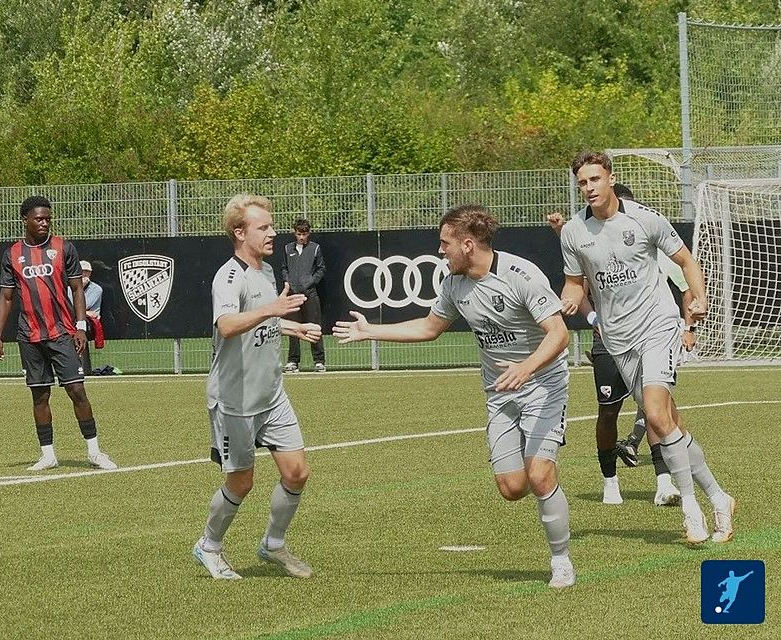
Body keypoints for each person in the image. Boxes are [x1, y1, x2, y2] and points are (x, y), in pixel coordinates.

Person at [334, 204, 576, 589]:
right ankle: (543, 479)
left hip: (543, 386)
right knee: (512, 488)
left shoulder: (520, 275)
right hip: (500, 395)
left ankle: (561, 560)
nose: (440, 251)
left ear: (467, 244)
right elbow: (429, 328)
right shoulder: (453, 285)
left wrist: (526, 367)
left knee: (540, 475)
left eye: (444, 243)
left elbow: (559, 334)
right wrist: (370, 332)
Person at [560, 150, 735, 545]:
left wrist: (699, 298)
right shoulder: (573, 233)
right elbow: (574, 283)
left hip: (658, 327)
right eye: (582, 182)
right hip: (617, 341)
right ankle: (720, 498)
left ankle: (691, 512)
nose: (588, 187)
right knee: (669, 425)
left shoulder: (645, 218)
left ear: (610, 178)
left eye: (594, 179)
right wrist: (570, 300)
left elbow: (686, 261)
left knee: (655, 415)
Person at [193, 194, 322, 580]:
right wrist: (272, 311)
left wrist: (292, 326)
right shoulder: (228, 276)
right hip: (235, 399)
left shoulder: (266, 272)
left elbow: (262, 321)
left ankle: (273, 544)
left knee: (297, 472)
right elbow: (228, 325)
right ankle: (209, 545)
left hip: (271, 393)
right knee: (241, 481)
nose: (272, 232)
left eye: (271, 225)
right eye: (263, 227)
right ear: (239, 232)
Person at [546, 183, 689, 506]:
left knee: (654, 409)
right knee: (609, 411)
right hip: (608, 340)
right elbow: (576, 283)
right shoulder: (584, 237)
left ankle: (665, 481)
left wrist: (689, 323)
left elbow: (685, 275)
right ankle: (610, 481)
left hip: (649, 333)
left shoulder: (646, 237)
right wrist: (595, 320)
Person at [0, 195, 117, 471]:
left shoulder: (63, 248)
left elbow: (77, 289)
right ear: (25, 220)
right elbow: (7, 297)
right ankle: (48, 455)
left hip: (62, 332)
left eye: (48, 218)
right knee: (39, 395)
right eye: (39, 218)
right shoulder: (12, 254)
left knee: (76, 390)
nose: (44, 223)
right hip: (29, 335)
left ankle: (94, 452)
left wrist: (81, 327)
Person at [280, 218, 327, 373]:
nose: (302, 237)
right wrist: (288, 281)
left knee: (314, 327)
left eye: (304, 234)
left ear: (309, 233)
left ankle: (319, 361)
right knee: (293, 328)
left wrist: (311, 281)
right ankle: (293, 361)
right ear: (295, 233)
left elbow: (321, 269)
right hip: (293, 295)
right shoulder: (288, 249)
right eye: (299, 234)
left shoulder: (315, 248)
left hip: (310, 294)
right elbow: (284, 268)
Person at [67, 259, 103, 374]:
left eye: (87, 272)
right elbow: (70, 307)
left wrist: (83, 311)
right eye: (82, 271)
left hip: (90, 324)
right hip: (71, 320)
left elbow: (81, 306)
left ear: (90, 273)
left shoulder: (97, 289)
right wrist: (85, 311)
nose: (84, 274)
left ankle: (83, 368)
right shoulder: (68, 288)